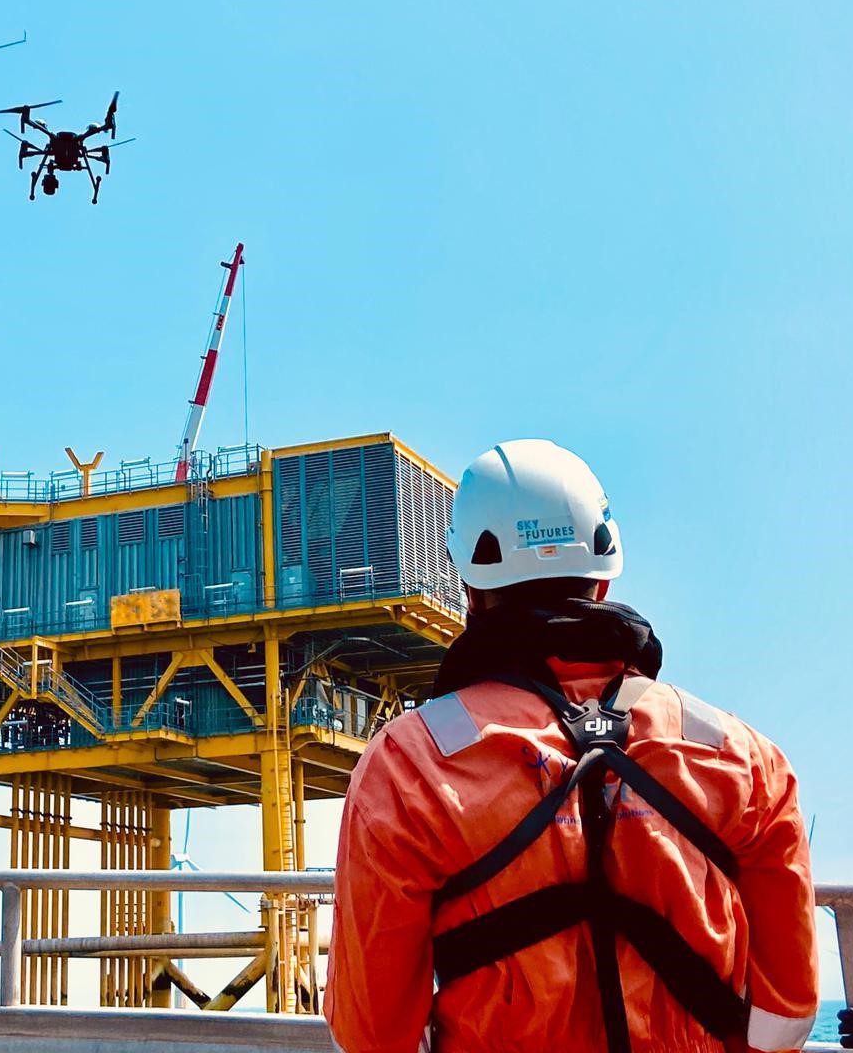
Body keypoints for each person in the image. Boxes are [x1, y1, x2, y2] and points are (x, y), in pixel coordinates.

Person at [324, 439, 817, 1053]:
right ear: (604, 583)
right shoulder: (742, 758)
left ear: (470, 592)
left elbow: (371, 1033)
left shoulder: (408, 765)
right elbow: (786, 1017)